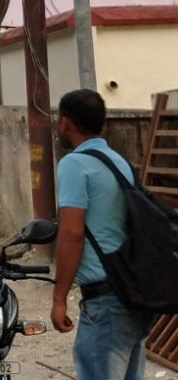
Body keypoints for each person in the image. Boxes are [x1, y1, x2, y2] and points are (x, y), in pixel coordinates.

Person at [50, 89, 155, 380]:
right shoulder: (119, 162)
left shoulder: (74, 164)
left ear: (65, 122)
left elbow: (72, 233)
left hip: (105, 302)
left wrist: (59, 298)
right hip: (131, 295)